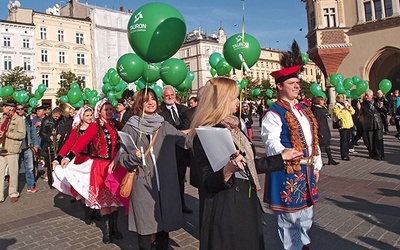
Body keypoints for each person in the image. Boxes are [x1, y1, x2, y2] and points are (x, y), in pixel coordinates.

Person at [189, 77, 303, 249]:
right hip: (226, 210)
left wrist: (281, 158)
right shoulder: (209, 132)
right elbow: (205, 182)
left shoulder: (234, 127)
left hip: (244, 203)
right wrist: (227, 170)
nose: (238, 101)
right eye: (234, 97)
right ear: (222, 100)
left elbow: (248, 166)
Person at [261, 65, 323, 250]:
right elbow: (270, 141)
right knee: (290, 219)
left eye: (297, 82)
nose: (296, 86)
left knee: (306, 215)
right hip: (288, 171)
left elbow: (313, 140)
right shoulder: (274, 113)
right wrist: (284, 153)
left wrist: (316, 165)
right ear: (280, 86)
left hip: (308, 169)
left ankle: (303, 245)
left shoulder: (304, 109)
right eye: (291, 83)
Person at [119, 88, 188, 249]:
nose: (150, 102)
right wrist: (134, 157)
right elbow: (123, 158)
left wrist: (203, 131)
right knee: (145, 228)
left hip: (165, 185)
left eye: (153, 99)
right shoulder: (131, 127)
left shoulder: (164, 125)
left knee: (163, 227)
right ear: (139, 104)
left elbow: (185, 141)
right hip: (142, 185)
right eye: (145, 100)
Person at [61, 99, 124, 244]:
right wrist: (68, 157)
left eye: (110, 109)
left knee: (114, 198)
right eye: (105, 110)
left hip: (115, 165)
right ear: (99, 111)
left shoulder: (116, 123)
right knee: (103, 200)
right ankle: (107, 231)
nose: (109, 112)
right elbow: (81, 142)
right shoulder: (95, 126)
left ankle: (115, 228)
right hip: (100, 166)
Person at [53, 105, 97, 224]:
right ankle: (87, 213)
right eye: (86, 115)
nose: (89, 117)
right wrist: (59, 158)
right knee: (82, 186)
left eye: (90, 115)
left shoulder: (95, 127)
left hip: (92, 159)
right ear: (82, 116)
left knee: (92, 186)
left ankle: (95, 210)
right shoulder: (77, 129)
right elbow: (69, 143)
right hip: (80, 159)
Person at [159, 85, 192, 214]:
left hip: (182, 150)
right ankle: (169, 206)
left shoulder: (183, 109)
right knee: (168, 180)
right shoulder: (159, 111)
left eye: (172, 95)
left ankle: (181, 203)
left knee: (180, 178)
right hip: (167, 150)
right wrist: (181, 132)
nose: (170, 97)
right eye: (167, 96)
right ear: (163, 97)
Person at [0, 101, 26, 203]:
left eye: (5, 107)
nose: (3, 108)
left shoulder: (19, 120)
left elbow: (21, 135)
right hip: (1, 149)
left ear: (11, 108)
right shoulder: (2, 118)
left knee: (13, 173)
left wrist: (7, 134)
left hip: (12, 149)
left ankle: (13, 193)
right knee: (0, 173)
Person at [16, 104, 40, 193]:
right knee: (15, 168)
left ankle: (31, 185)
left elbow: (33, 132)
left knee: (29, 167)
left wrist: (36, 145)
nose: (20, 110)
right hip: (16, 147)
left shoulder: (27, 120)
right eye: (18, 109)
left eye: (22, 109)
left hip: (27, 146)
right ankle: (15, 187)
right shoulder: (13, 120)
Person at [311, 96, 339, 165]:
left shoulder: (321, 108)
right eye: (321, 100)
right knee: (320, 146)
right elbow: (318, 121)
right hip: (321, 130)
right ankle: (319, 160)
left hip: (325, 129)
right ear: (318, 101)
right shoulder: (316, 110)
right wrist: (320, 132)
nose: (323, 102)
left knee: (327, 144)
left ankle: (330, 159)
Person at [39, 107, 63, 187]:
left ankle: (57, 180)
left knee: (56, 163)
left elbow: (58, 129)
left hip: (55, 144)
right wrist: (49, 137)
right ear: (53, 113)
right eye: (56, 116)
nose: (57, 118)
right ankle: (51, 182)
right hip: (48, 145)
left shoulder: (58, 120)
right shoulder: (46, 120)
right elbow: (42, 133)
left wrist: (59, 134)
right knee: (50, 165)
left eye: (58, 117)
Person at [360, 89, 386, 160]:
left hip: (377, 122)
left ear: (371, 95)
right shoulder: (363, 103)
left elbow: (385, 110)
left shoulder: (377, 101)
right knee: (370, 140)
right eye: (366, 95)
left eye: (368, 95)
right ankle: (372, 154)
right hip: (369, 123)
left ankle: (379, 155)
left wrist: (381, 107)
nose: (366, 97)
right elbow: (362, 113)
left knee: (378, 139)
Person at [333, 94, 355, 161]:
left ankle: (347, 153)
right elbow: (337, 115)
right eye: (343, 98)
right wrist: (343, 109)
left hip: (349, 125)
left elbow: (353, 112)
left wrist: (349, 107)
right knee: (344, 140)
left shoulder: (346, 104)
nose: (344, 99)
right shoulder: (337, 106)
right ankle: (344, 155)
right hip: (343, 125)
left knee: (348, 140)